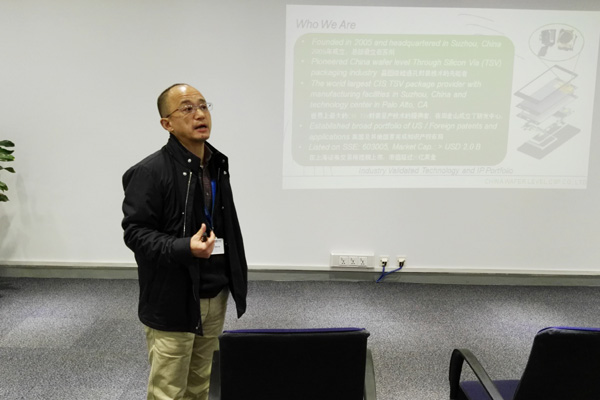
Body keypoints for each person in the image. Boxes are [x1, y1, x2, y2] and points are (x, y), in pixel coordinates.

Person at [121, 83, 248, 400]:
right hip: (172, 299)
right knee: (168, 392)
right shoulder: (149, 172)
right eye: (187, 108)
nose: (199, 114)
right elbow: (135, 233)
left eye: (203, 106)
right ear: (167, 123)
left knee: (199, 387)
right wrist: (184, 248)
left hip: (214, 293)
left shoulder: (216, 165)